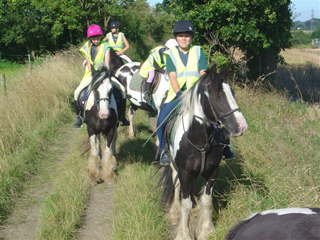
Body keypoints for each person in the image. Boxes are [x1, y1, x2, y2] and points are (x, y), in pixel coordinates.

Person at [156, 20, 235, 165]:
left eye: (187, 35)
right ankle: (163, 151)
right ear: (176, 38)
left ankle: (225, 146)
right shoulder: (171, 54)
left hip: (197, 94)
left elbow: (203, 73)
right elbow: (172, 76)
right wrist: (179, 92)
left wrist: (200, 92)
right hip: (178, 94)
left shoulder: (198, 51)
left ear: (191, 37)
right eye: (180, 36)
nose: (184, 38)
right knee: (161, 120)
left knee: (216, 117)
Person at [74, 24, 129, 128]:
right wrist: (93, 74)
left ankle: (122, 116)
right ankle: (80, 116)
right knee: (77, 92)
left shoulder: (106, 45)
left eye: (98, 38)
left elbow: (107, 63)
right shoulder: (86, 47)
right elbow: (89, 63)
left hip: (104, 74)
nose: (96, 41)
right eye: (94, 39)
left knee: (122, 89)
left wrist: (105, 74)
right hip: (91, 74)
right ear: (90, 39)